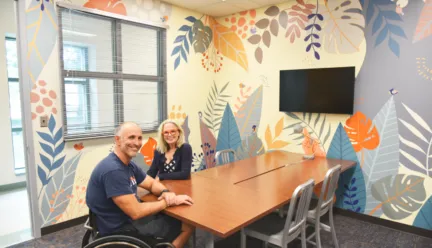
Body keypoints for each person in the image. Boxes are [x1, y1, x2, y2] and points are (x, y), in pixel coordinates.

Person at [86, 122, 194, 248]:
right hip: (121, 228)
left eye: (139, 138)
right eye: (131, 137)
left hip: (125, 218)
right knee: (187, 224)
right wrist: (171, 201)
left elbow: (151, 183)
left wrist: (166, 193)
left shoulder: (127, 164)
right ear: (117, 140)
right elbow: (136, 212)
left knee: (171, 216)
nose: (137, 143)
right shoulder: (114, 170)